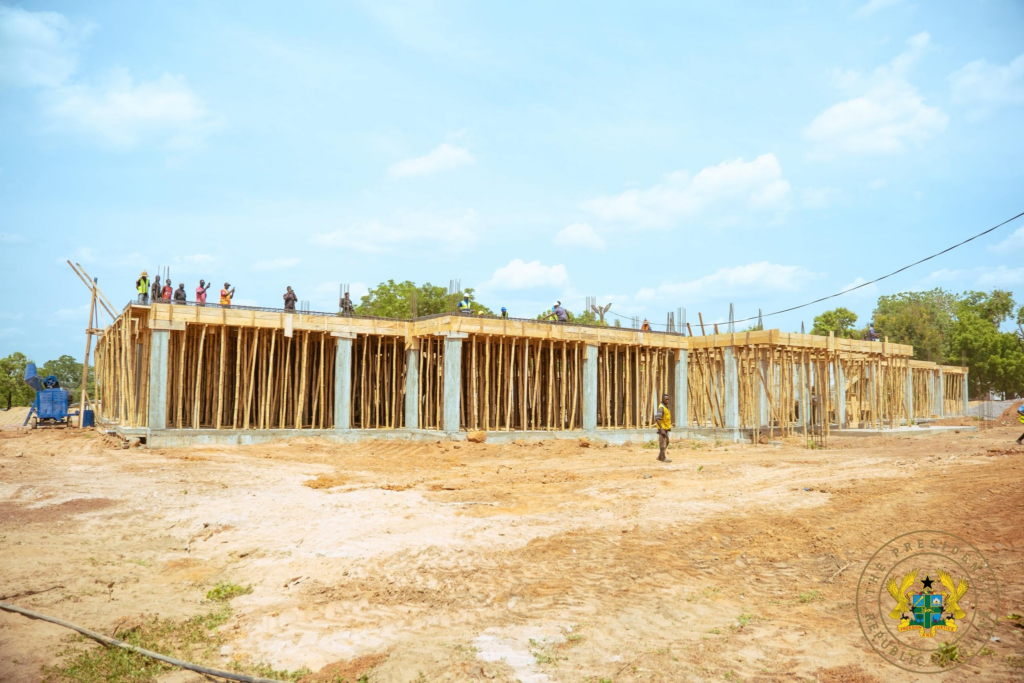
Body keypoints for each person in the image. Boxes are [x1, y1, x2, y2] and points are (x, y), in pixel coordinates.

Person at [653, 393, 672, 463]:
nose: (667, 400)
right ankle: (662, 458)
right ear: (662, 399)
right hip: (662, 429)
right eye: (666, 399)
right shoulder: (661, 408)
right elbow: (657, 419)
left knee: (666, 442)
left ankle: (660, 456)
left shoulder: (665, 407)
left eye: (668, 399)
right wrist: (661, 429)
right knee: (663, 443)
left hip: (666, 428)